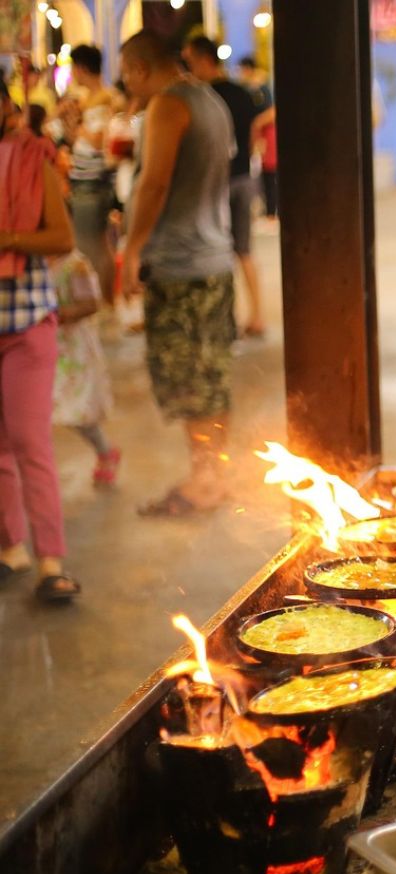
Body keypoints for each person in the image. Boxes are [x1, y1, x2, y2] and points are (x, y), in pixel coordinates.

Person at [119, 30, 237, 515]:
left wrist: (131, 251)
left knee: (192, 380)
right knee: (210, 375)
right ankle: (211, 474)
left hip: (181, 267)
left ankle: (205, 482)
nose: (125, 84)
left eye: (126, 73)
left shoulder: (169, 105)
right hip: (212, 258)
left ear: (140, 69)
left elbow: (154, 183)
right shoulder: (208, 99)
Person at [0, 89, 81, 601]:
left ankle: (51, 563)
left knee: (30, 442)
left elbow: (62, 238)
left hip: (27, 324)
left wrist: (8, 238)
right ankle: (12, 548)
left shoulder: (35, 158)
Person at [183, 36, 266, 337]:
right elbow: (256, 128)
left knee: (217, 252)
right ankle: (257, 315)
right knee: (244, 250)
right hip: (245, 177)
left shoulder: (203, 98)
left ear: (204, 60)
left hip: (217, 183)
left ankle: (225, 318)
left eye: (190, 62)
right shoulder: (242, 93)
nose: (188, 70)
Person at [64, 45, 124, 314]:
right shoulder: (89, 99)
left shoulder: (104, 100)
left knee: (94, 247)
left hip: (93, 181)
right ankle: (105, 304)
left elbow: (100, 141)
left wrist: (77, 126)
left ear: (82, 68)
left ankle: (106, 305)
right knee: (97, 245)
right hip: (85, 179)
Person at [52, 251, 119, 486]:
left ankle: (105, 452)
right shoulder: (31, 260)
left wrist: (55, 315)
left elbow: (92, 304)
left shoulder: (76, 264)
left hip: (73, 352)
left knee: (77, 413)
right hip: (44, 349)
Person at [238, 57, 277, 219]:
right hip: (258, 135)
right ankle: (267, 210)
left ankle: (271, 212)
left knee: (269, 174)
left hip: (265, 136)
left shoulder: (262, 89)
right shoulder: (249, 89)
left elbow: (271, 111)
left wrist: (257, 124)